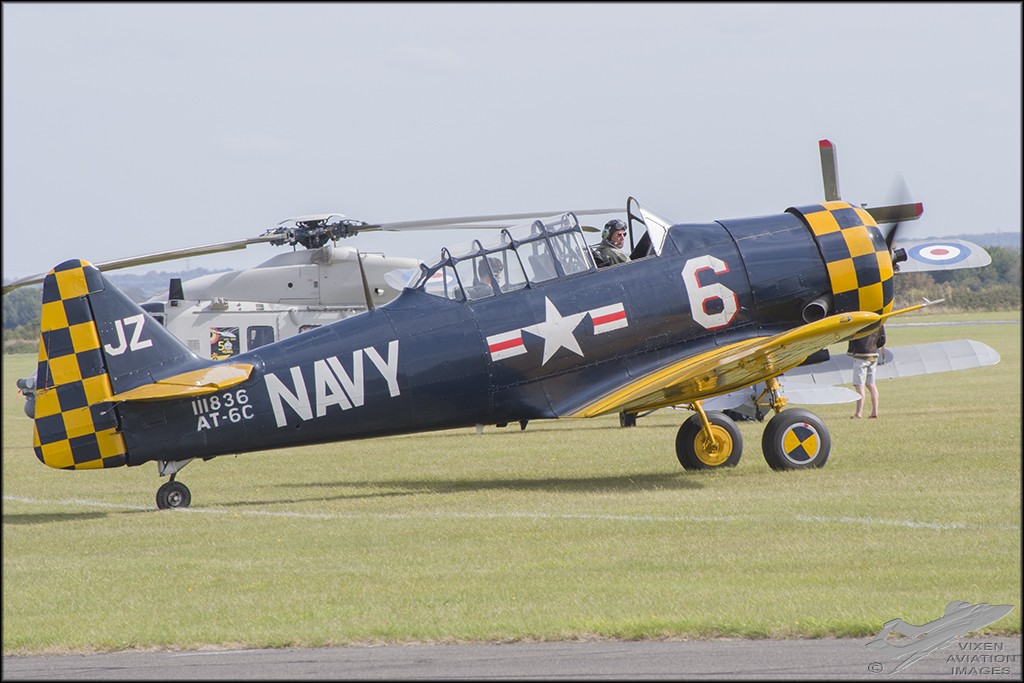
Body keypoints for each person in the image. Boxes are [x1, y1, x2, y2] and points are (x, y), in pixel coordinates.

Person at [848, 324, 886, 418]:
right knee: (871, 384)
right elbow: (882, 339)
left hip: (861, 355)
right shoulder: (879, 321)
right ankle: (874, 412)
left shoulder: (860, 322)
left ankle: (858, 413)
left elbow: (852, 337)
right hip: (873, 354)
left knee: (859, 385)